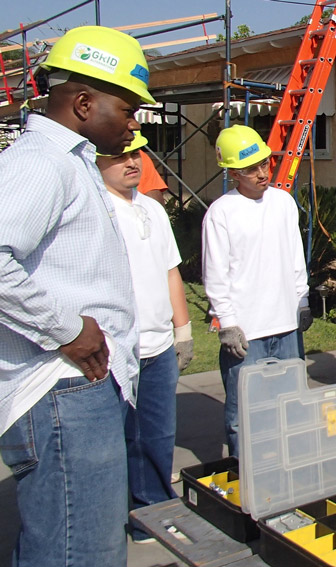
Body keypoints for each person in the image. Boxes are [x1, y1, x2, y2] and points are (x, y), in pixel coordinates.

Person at [0, 25, 153, 567]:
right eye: (129, 108)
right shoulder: (42, 161)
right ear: (85, 103)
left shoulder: (70, 163)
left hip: (78, 389)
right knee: (78, 553)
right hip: (61, 391)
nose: (135, 123)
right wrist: (67, 328)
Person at [96, 132, 194, 543]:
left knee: (156, 436)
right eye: (119, 155)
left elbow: (171, 269)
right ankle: (110, 519)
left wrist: (183, 328)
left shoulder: (152, 210)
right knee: (112, 442)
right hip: (113, 350)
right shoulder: (95, 210)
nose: (132, 162)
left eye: (135, 153)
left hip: (157, 348)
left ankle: (153, 509)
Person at [202, 124, 310, 457]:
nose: (263, 173)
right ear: (233, 172)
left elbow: (294, 256)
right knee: (244, 416)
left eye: (265, 163)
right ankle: (244, 477)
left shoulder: (282, 202)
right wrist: (228, 323)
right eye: (252, 169)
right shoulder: (221, 213)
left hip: (286, 328)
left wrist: (302, 298)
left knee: (291, 408)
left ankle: (290, 469)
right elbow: (215, 275)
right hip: (246, 335)